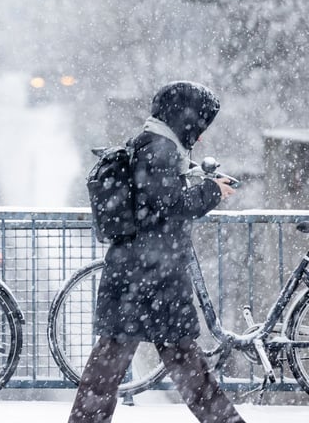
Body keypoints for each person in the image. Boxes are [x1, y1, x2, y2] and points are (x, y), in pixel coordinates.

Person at [68, 80, 245, 423]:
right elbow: (169, 204)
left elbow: (155, 199)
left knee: (113, 363)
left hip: (138, 273)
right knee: (179, 361)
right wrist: (211, 191)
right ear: (184, 118)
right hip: (152, 275)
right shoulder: (160, 149)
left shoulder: (151, 143)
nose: (201, 135)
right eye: (199, 124)